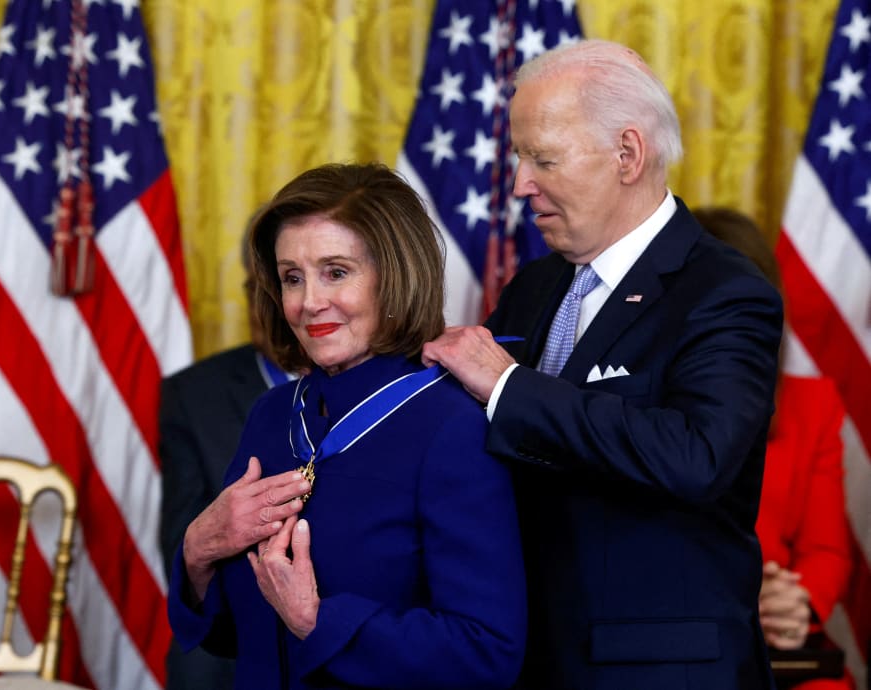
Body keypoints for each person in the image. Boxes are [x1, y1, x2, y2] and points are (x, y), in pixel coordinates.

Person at [422, 39, 783, 689]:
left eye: (542, 159)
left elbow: (696, 455)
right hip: (525, 659)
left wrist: (507, 386)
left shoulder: (723, 291)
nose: (519, 185)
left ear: (627, 154)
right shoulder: (532, 288)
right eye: (518, 158)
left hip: (657, 671)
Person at [167, 162, 527, 689]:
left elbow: (487, 654)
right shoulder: (273, 415)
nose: (309, 302)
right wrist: (198, 551)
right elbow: (233, 635)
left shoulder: (452, 425)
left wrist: (317, 621)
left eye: (336, 272)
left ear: (396, 276)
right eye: (292, 277)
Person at [694, 206, 853, 690]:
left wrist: (793, 603)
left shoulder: (813, 404)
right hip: (674, 632)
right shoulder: (620, 402)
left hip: (777, 645)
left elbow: (826, 551)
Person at [159, 220, 295, 689]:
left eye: (284, 284)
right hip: (234, 638)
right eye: (255, 287)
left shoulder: (380, 388)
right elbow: (181, 549)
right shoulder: (191, 395)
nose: (268, 304)